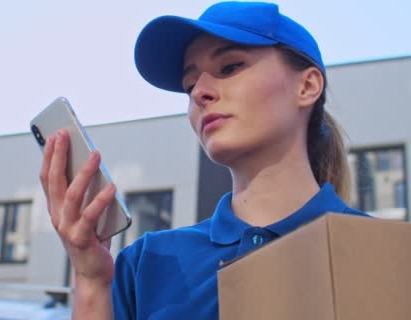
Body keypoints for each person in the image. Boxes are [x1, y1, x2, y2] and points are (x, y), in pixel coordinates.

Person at [39, 2, 370, 319]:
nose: (200, 92)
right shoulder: (147, 264)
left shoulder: (385, 251)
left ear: (307, 86)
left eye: (229, 67)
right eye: (189, 84)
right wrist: (90, 280)